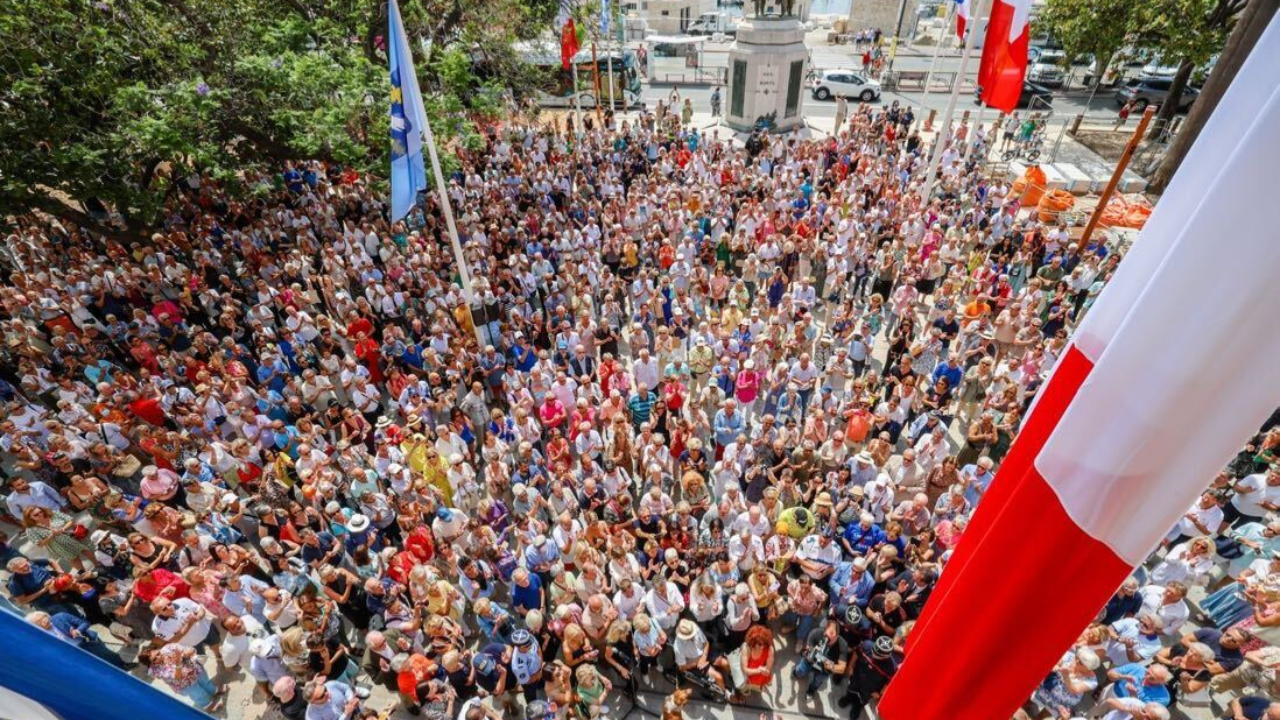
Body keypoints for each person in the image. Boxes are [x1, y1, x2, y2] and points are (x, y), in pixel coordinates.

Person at [794, 619, 848, 696]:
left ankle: (811, 690)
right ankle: (796, 673)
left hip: (824, 669)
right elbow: (805, 651)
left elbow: (842, 668)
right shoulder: (815, 633)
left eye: (832, 635)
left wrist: (831, 666)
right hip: (810, 661)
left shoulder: (842, 645)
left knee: (818, 680)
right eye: (827, 633)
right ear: (825, 629)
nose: (828, 638)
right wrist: (811, 651)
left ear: (837, 636)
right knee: (800, 670)